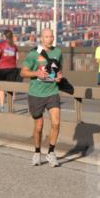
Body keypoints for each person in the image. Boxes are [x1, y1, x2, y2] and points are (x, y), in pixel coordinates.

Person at [20, 27, 63, 166]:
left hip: (52, 92)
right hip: (36, 93)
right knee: (39, 126)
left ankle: (51, 153)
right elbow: (23, 72)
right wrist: (36, 74)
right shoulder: (33, 54)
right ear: (41, 38)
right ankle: (37, 152)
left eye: (51, 36)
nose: (49, 39)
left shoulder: (58, 52)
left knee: (56, 123)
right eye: (46, 37)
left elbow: (58, 70)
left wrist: (59, 77)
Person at [0, 29, 20, 111]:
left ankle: (1, 107)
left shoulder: (0, 44)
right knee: (11, 87)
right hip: (12, 68)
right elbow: (17, 58)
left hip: (1, 68)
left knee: (1, 88)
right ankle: (11, 105)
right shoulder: (14, 46)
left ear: (4, 36)